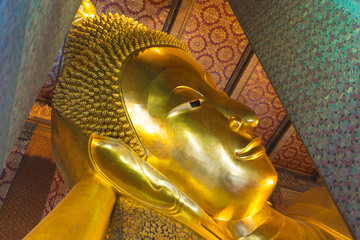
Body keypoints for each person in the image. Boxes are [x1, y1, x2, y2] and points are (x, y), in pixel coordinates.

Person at [24, 1, 352, 239]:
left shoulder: (328, 203)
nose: (247, 115)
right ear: (123, 165)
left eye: (214, 91)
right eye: (192, 102)